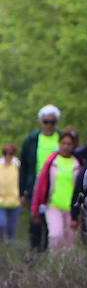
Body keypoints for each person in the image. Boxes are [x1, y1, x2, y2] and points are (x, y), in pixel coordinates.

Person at [30, 128, 81, 251]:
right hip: (53, 204)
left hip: (72, 207)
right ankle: (53, 263)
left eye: (69, 144)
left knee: (70, 240)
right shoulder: (51, 162)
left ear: (73, 145)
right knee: (55, 235)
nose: (66, 147)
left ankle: (68, 266)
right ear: (59, 143)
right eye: (63, 143)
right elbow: (40, 185)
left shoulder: (78, 163)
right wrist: (35, 207)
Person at [19, 104, 62, 252]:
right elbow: (24, 167)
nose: (49, 125)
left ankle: (51, 257)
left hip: (56, 189)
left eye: (53, 121)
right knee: (35, 224)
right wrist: (22, 192)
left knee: (52, 226)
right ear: (41, 122)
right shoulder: (31, 140)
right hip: (35, 188)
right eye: (46, 121)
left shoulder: (62, 139)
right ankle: (35, 255)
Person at [0, 143, 19, 243]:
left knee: (11, 228)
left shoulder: (18, 165)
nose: (8, 155)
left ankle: (9, 249)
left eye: (11, 153)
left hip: (15, 201)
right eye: (6, 153)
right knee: (1, 223)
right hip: (1, 201)